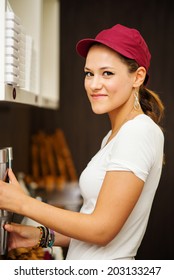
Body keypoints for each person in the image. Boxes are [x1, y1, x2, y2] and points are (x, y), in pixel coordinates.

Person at [0, 23, 164, 260]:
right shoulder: (116, 135)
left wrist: (22, 203)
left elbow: (102, 230)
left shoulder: (138, 132)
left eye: (107, 73)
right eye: (89, 73)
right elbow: (94, 224)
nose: (94, 84)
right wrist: (41, 235)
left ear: (137, 77)